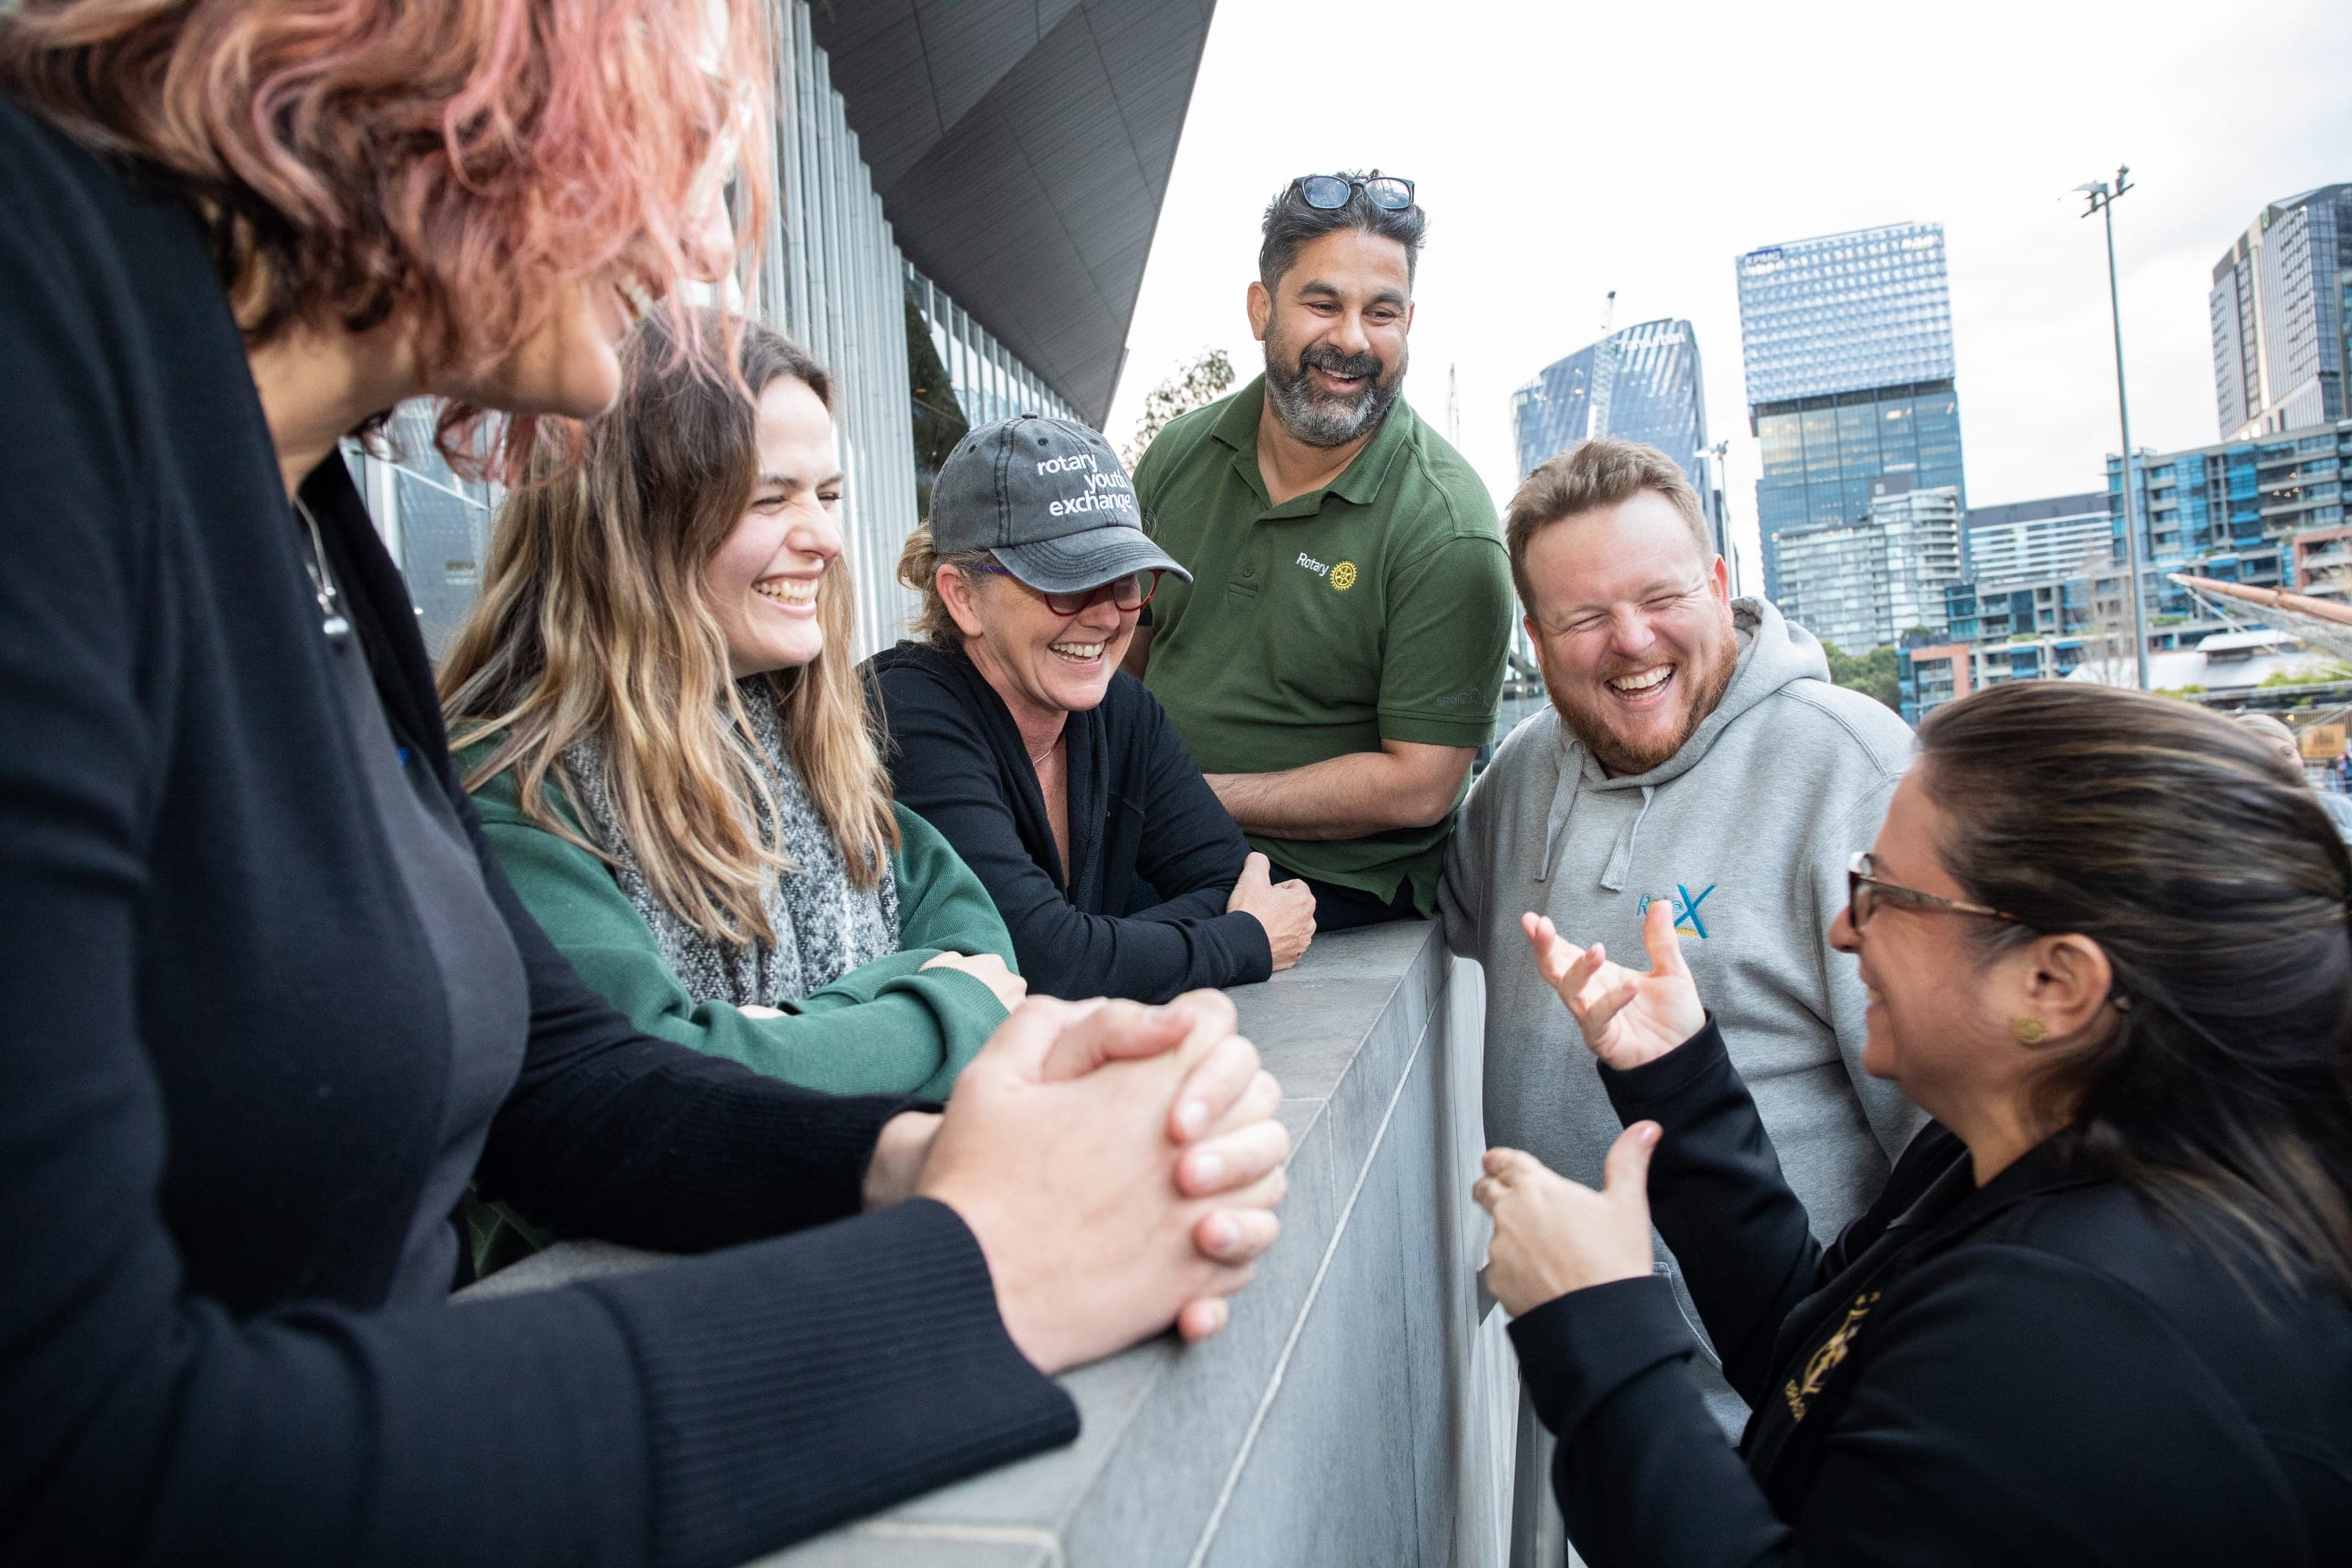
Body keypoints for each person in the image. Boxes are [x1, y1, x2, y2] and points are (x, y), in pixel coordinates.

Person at [0, 3, 1292, 1562]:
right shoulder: (46, 334)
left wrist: (905, 1162)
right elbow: (78, 1454)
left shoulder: (289, 491)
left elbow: (563, 1080)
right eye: (679, 115)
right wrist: (974, 1284)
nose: (702, 237)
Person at [1475, 679, 2352, 1563]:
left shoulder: (2082, 1332)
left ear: (2055, 983)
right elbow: (1811, 1364)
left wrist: (1600, 1329)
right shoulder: (2012, 1160)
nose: (1843, 928)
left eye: (1886, 893)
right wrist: (1677, 1077)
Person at [1441, 437, 1922, 1431]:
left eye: (1661, 597)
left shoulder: (1854, 768)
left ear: (1716, 584)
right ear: (1533, 635)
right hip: (1582, 1369)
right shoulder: (1522, 776)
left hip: (1787, 1403)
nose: (1631, 640)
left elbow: (1949, 1149)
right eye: (1584, 616)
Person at [442, 310, 1023, 1105]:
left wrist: (769, 1030)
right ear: (632, 524)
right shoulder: (519, 789)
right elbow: (654, 1080)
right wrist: (934, 1011)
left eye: (826, 494)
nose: (825, 537)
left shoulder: (807, 750)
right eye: (767, 499)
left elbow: (981, 942)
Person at [1126, 172, 1513, 930]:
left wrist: (1182, 794)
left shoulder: (1449, 529)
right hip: (1152, 839)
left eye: (1382, 313)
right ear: (1261, 309)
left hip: (1329, 877)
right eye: (1323, 303)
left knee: (1072, 962)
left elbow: (1421, 787)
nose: (1352, 340)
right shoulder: (1177, 454)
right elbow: (1125, 662)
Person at [870, 416, 1316, 1003]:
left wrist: (1087, 949)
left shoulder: (1119, 709)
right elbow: (1035, 958)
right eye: (1066, 581)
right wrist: (1241, 941)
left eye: (1125, 580)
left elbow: (1234, 882)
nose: (1107, 615)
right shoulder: (907, 712)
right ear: (963, 596)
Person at [2234, 711, 2352, 844]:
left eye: (2287, 753)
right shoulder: (2228, 828)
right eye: (2264, 759)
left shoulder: (2338, 808)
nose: (2283, 766)